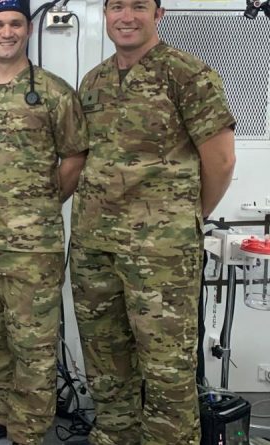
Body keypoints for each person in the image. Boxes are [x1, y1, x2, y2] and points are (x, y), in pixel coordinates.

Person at [70, 0, 236, 442]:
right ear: (105, 15)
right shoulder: (94, 81)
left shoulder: (188, 74)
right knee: (105, 360)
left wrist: (184, 216)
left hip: (161, 254)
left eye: (138, 6)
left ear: (158, 14)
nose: (127, 16)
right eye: (117, 7)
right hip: (94, 245)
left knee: (166, 370)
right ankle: (114, 436)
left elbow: (220, 161)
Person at [0, 0, 88, 444]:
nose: (7, 31)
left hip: (32, 245)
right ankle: (1, 413)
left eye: (15, 24)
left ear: (27, 31)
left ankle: (29, 431)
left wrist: (44, 203)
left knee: (31, 343)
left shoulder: (53, 91)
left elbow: (74, 156)